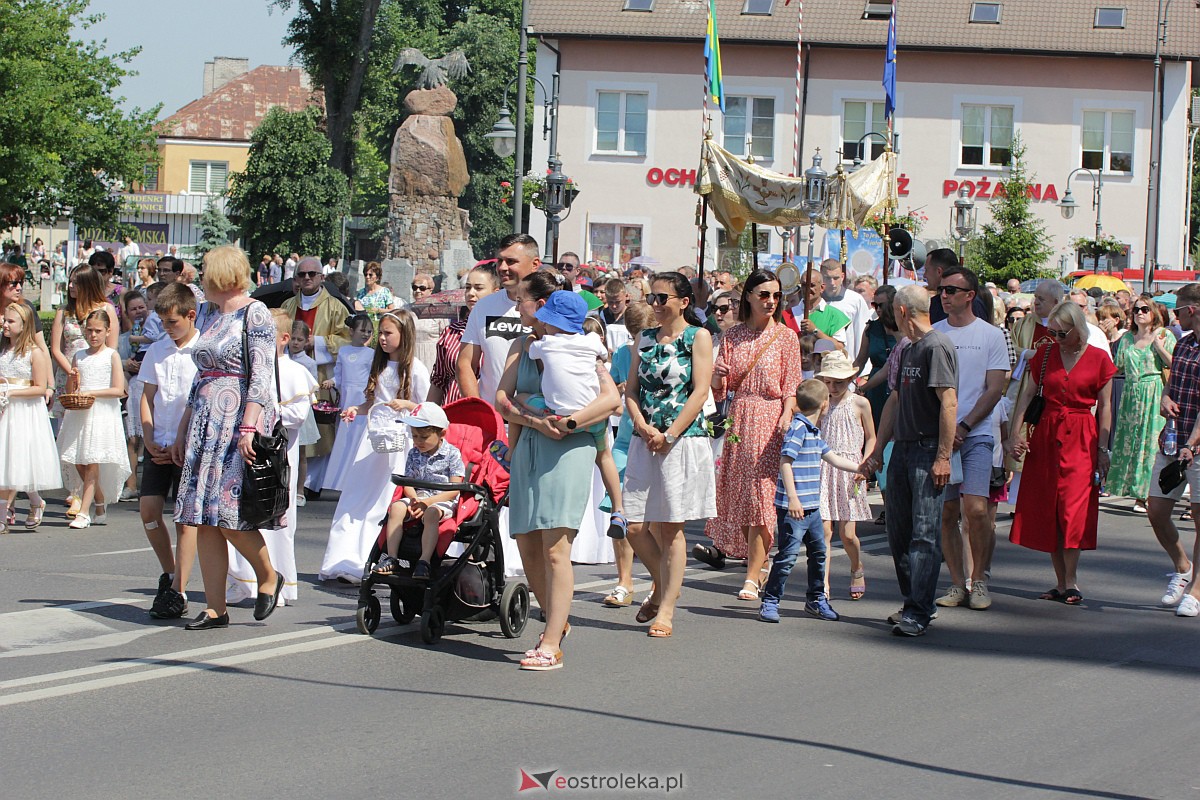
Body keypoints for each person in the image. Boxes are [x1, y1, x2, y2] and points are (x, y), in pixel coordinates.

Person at [495, 273, 623, 669]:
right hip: (530, 446)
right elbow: (501, 398)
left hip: (569, 447)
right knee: (526, 541)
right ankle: (557, 618)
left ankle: (551, 643)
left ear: (544, 304)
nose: (519, 308)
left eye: (524, 301)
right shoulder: (522, 344)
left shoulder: (587, 347)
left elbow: (612, 399)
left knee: (555, 549)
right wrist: (536, 421)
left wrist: (568, 423)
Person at [169, 245, 284, 631]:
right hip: (205, 423)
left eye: (205, 269)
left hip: (236, 423)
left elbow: (262, 374)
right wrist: (185, 425)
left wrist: (250, 426)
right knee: (202, 518)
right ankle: (215, 608)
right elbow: (201, 374)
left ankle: (268, 575)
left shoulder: (256, 313)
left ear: (220, 273)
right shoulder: (209, 313)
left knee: (229, 513)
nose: (201, 274)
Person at [860, 284, 958, 636]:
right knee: (898, 532)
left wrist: (943, 456)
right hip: (902, 447)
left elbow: (948, 402)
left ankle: (919, 610)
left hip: (927, 448)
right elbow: (895, 401)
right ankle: (912, 601)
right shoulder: (909, 347)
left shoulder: (937, 346)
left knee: (924, 534)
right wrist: (877, 451)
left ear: (901, 311)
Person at [623, 272, 717, 639]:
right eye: (652, 298)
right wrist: (643, 425)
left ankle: (666, 609)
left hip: (681, 438)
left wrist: (670, 433)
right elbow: (631, 390)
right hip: (644, 437)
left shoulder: (698, 337)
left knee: (670, 527)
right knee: (633, 525)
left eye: (662, 298)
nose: (656, 305)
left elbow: (700, 391)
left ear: (683, 301)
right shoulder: (642, 339)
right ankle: (662, 585)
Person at [702, 270, 803, 600]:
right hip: (738, 420)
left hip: (770, 420)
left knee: (761, 498)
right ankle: (758, 565)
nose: (771, 301)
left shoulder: (786, 338)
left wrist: (787, 415)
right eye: (763, 295)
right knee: (743, 497)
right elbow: (720, 391)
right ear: (748, 296)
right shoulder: (733, 337)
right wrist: (717, 378)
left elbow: (792, 387)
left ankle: (751, 574)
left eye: (775, 295)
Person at [1008, 301, 1114, 605]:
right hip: (1046, 434)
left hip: (1082, 436)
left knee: (1073, 508)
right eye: (1052, 332)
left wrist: (1103, 448)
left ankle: (1072, 580)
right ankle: (1060, 582)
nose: (1056, 338)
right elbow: (1027, 395)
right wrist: (1015, 433)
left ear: (1078, 329)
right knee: (1049, 507)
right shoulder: (1045, 355)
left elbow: (1105, 406)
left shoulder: (1098, 358)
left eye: (1061, 333)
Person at [319, 310, 429, 583]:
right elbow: (374, 402)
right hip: (372, 441)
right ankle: (342, 559)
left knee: (382, 502)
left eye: (388, 333)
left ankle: (370, 557)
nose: (381, 338)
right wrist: (357, 409)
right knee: (355, 498)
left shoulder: (416, 368)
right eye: (380, 332)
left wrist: (408, 406)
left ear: (404, 335)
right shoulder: (378, 366)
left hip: (398, 442)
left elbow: (428, 410)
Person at [227, 309, 318, 608]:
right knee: (245, 511)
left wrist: (267, 412)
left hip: (278, 454)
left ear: (282, 338)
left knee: (276, 511)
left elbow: (297, 415)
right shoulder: (251, 367)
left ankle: (280, 582)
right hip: (248, 449)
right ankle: (246, 581)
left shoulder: (293, 372)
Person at [931, 266, 1010, 611]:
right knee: (947, 512)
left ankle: (979, 580)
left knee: (976, 510)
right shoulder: (934, 334)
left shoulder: (991, 335)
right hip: (941, 436)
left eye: (952, 290)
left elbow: (994, 389)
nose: (944, 296)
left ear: (970, 296)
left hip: (974, 433)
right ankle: (955, 582)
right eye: (942, 290)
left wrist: (964, 426)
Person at [760, 378, 866, 623]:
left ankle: (816, 600)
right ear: (825, 405)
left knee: (819, 553)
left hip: (812, 508)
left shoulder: (813, 431)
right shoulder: (799, 429)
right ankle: (770, 600)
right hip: (793, 508)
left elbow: (834, 459)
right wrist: (794, 499)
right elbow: (785, 462)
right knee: (787, 556)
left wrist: (861, 467)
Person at [137, 284, 200, 619]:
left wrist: (182, 439)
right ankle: (169, 571)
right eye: (163, 322)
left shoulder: (203, 351)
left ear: (191, 315)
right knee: (149, 511)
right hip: (159, 443)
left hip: (189, 447)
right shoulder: (157, 350)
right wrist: (147, 437)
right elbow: (147, 398)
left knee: (185, 520)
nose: (167, 328)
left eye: (173, 322)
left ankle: (179, 589)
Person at [1143, 284, 1200, 615]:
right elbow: (1172, 381)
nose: (1174, 316)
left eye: (1177, 310)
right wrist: (1165, 397)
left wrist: (1192, 444)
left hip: (1193, 445)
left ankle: (1196, 590)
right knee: (1156, 510)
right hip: (1173, 440)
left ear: (1191, 310)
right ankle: (1183, 567)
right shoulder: (1184, 345)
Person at [601, 301, 655, 608]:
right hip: (625, 440)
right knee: (618, 512)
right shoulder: (622, 354)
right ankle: (624, 581)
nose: (639, 341)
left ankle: (658, 580)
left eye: (644, 334)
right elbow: (611, 399)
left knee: (654, 517)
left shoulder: (663, 353)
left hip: (654, 441)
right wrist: (619, 390)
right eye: (634, 334)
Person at [282, 257, 351, 495]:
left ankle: (312, 483)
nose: (307, 278)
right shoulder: (287, 306)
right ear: (297, 279)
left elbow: (348, 339)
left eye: (312, 274)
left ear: (322, 277)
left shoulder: (335, 307)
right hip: (290, 377)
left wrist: (318, 342)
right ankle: (293, 480)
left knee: (320, 428)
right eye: (302, 275)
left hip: (321, 376)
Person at [374, 402, 465, 579]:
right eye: (414, 436)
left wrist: (427, 502)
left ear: (441, 434)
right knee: (396, 508)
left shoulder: (452, 454)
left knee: (431, 513)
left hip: (441, 499)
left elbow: (455, 489)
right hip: (419, 495)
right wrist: (414, 498)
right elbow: (408, 481)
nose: (418, 442)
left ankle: (424, 561)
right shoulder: (414, 453)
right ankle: (392, 557)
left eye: (423, 437)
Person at [56, 309, 129, 529]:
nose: (93, 335)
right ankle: (99, 499)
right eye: (89, 330)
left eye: (98, 331)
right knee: (78, 460)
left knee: (92, 461)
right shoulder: (79, 356)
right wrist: (73, 377)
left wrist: (92, 393)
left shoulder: (111, 355)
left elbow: (118, 389)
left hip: (102, 414)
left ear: (108, 331)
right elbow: (73, 389)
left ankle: (83, 512)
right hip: (81, 413)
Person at [815, 351, 876, 600]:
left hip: (851, 470)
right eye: (828, 382)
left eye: (838, 382)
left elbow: (872, 437)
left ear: (850, 378)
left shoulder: (860, 403)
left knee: (848, 534)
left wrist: (865, 464)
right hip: (825, 467)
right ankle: (823, 585)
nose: (833, 387)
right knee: (824, 532)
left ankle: (856, 566)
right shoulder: (821, 403)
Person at [1106, 299, 1174, 511]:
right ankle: (1131, 487)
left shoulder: (1164, 335)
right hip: (1130, 393)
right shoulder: (1127, 337)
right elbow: (1116, 367)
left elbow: (1173, 364)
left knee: (1150, 443)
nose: (1139, 313)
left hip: (1153, 391)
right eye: (1136, 310)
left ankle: (1146, 495)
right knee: (1131, 442)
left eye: (1144, 309)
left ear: (1153, 312)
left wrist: (1159, 347)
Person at [0, 302, 60, 532]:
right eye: (5, 320)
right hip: (5, 409)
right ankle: (29, 503)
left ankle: (11, 512)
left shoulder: (34, 353)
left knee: (18, 458)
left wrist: (11, 392)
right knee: (5, 462)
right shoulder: (3, 350)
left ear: (24, 325)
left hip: (23, 410)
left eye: (10, 321)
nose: (5, 324)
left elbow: (39, 387)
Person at [458, 234, 540, 403]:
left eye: (511, 261)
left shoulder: (551, 305)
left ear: (535, 264)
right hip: (494, 415)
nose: (502, 267)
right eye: (499, 261)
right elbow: (465, 363)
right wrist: (478, 408)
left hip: (538, 416)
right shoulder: (484, 307)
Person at [429, 263, 499, 404]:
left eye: (478, 288)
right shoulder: (451, 332)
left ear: (495, 293)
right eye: (468, 287)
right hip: (452, 409)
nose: (471, 293)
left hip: (488, 409)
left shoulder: (503, 331)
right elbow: (439, 379)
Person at [320, 313, 375, 493]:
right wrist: (332, 382)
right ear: (351, 331)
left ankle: (357, 480)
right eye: (362, 330)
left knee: (358, 438)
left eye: (369, 331)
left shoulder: (372, 354)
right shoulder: (344, 351)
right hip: (347, 399)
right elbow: (340, 375)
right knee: (345, 438)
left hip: (362, 398)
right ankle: (339, 481)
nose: (366, 334)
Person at [853, 283, 899, 429]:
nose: (878, 309)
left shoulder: (903, 328)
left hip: (897, 385)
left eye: (882, 305)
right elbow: (860, 360)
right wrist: (844, 379)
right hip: (876, 387)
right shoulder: (871, 328)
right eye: (875, 304)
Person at [821, 259, 872, 374]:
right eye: (827, 278)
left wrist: (862, 372)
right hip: (820, 365)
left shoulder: (855, 300)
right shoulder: (815, 300)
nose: (832, 283)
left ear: (842, 276)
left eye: (836, 278)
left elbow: (862, 335)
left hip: (846, 366)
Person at [785, 269, 849, 350]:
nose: (807, 289)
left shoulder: (834, 315)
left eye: (812, 285)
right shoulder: (788, 314)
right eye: (804, 285)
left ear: (822, 287)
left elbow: (839, 347)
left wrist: (815, 331)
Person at [925, 249, 988, 324]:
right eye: (942, 290)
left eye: (950, 290)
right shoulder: (934, 304)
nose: (924, 275)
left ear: (939, 271)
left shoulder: (974, 304)